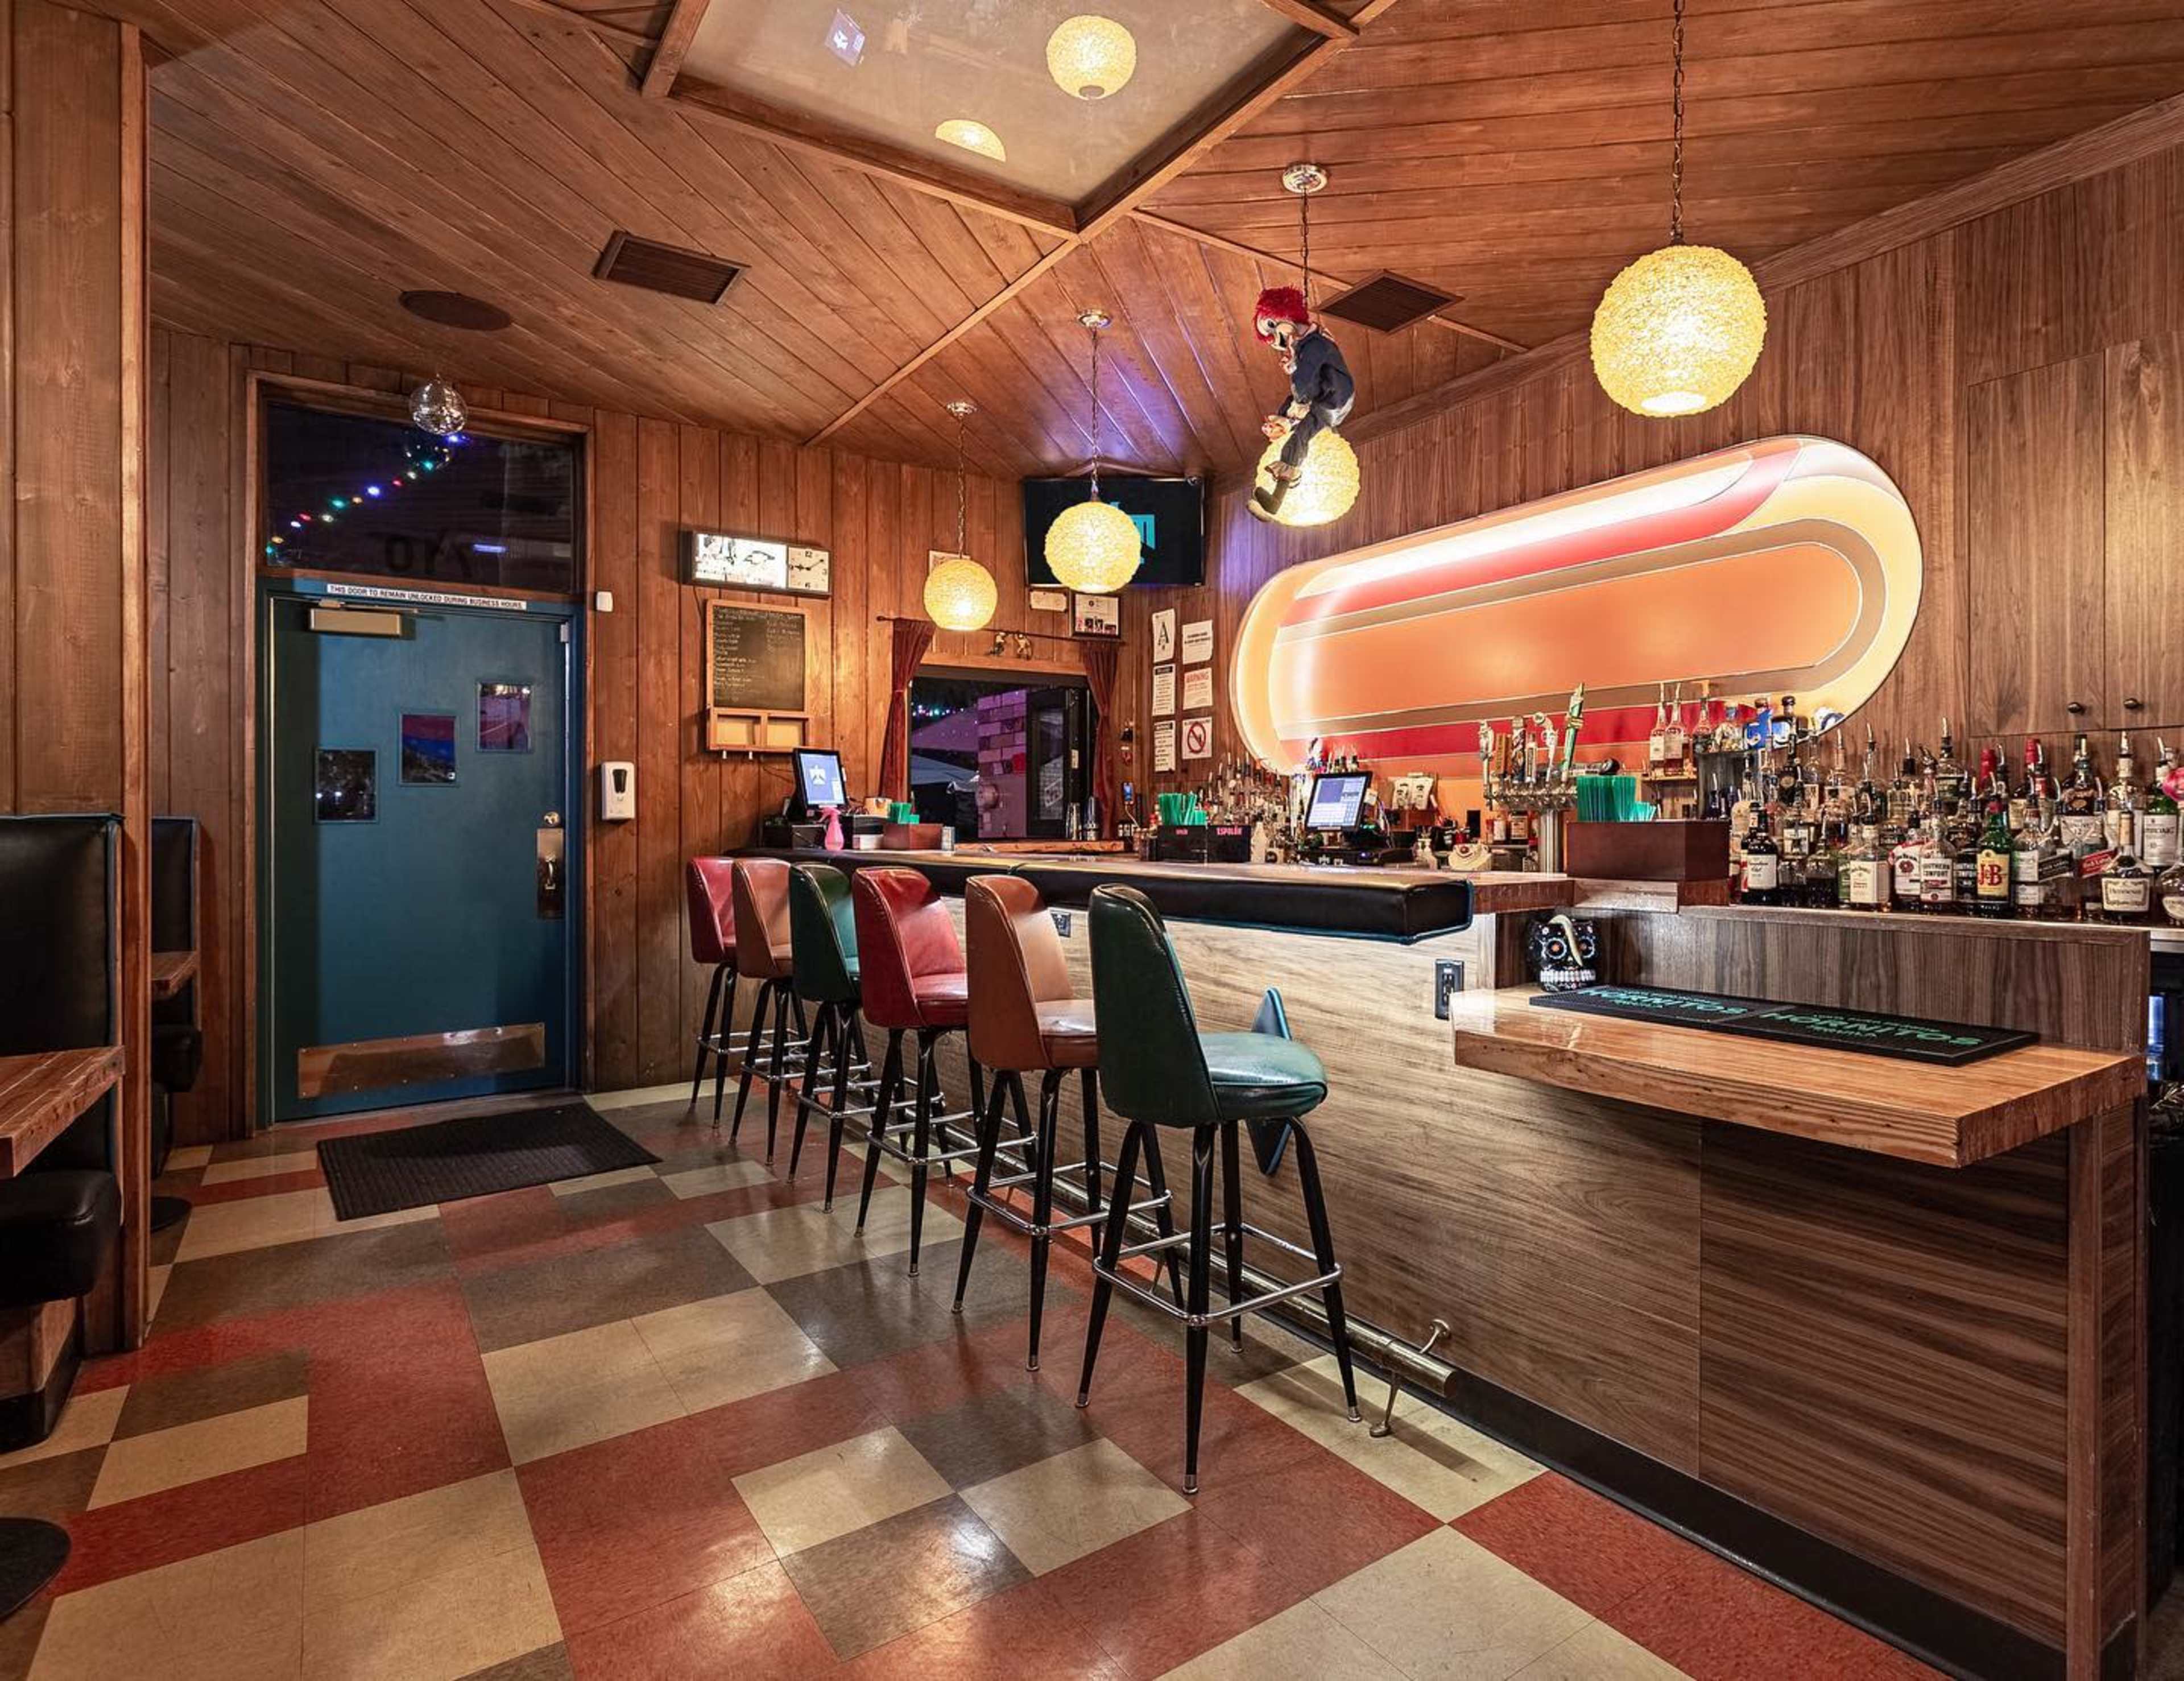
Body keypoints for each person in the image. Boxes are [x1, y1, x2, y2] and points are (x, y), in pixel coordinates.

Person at [1250, 286, 1355, 521]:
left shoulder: (1315, 345)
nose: (1279, 343)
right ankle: (1285, 428)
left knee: (1302, 435)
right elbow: (1306, 379)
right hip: (1327, 396)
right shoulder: (1309, 346)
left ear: (1283, 318)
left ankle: (1277, 500)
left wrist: (1299, 401)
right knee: (1303, 427)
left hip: (1333, 398)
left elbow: (1305, 381)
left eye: (1274, 330)